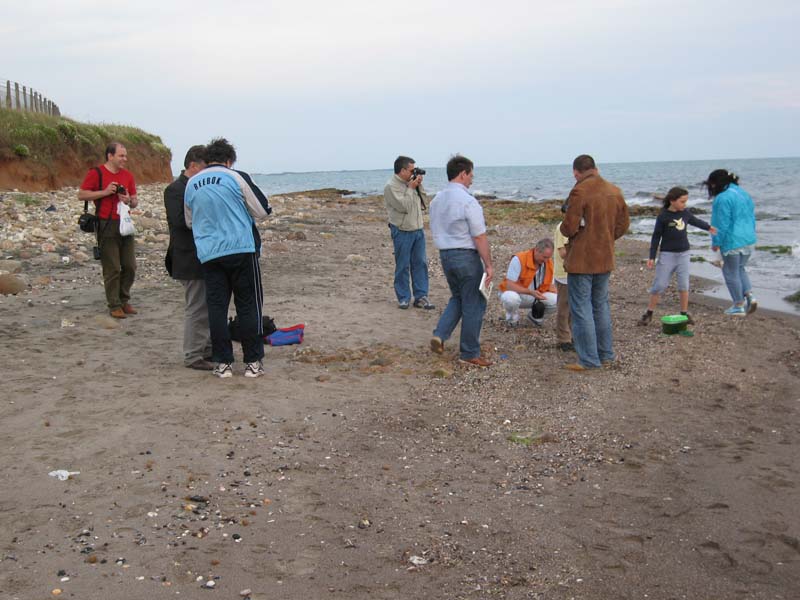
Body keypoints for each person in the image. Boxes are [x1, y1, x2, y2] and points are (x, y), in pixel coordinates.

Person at [184, 138, 271, 378]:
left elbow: (190, 221)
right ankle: (253, 361)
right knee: (248, 305)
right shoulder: (236, 176)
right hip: (241, 249)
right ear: (229, 160)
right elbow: (262, 210)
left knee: (217, 308)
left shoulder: (192, 183)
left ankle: (223, 363)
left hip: (210, 253)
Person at [560, 154, 629, 371]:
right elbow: (624, 224)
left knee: (581, 308)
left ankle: (589, 359)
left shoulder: (580, 191)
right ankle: (606, 353)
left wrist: (571, 233)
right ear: (595, 168)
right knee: (601, 305)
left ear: (576, 172)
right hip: (605, 257)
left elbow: (569, 227)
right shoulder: (614, 190)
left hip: (582, 258)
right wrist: (606, 238)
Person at [429, 155, 494, 368]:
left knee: (458, 296)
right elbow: (479, 236)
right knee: (474, 302)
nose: (472, 180)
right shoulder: (468, 201)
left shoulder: (437, 199)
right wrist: (489, 264)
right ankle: (469, 352)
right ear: (463, 173)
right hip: (465, 254)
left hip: (445, 254)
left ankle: (440, 334)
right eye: (471, 175)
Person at [164, 145, 213, 370]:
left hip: (204, 253)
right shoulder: (175, 190)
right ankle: (193, 355)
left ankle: (207, 349)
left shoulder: (199, 187)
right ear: (193, 166)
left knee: (208, 303)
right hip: (187, 256)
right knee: (197, 306)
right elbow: (180, 222)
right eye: (204, 167)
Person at [638, 186, 716, 326]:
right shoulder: (663, 216)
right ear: (672, 201)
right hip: (667, 255)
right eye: (682, 201)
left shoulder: (685, 213)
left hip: (684, 254)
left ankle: (684, 313)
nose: (684, 204)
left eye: (686, 201)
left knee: (683, 284)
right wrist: (651, 257)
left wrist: (709, 227)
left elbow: (696, 221)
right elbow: (656, 237)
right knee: (659, 285)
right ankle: (649, 313)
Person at [78, 142, 138, 319]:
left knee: (130, 266)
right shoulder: (96, 173)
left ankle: (123, 299)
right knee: (112, 268)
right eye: (121, 156)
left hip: (125, 223)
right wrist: (105, 192)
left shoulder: (128, 175)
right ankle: (114, 304)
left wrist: (127, 199)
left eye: (125, 156)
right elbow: (81, 194)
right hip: (106, 223)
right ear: (110, 156)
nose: (124, 159)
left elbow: (135, 201)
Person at [384, 156, 434, 310]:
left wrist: (418, 186)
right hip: (402, 230)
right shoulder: (391, 187)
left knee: (420, 264)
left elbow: (424, 203)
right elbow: (403, 206)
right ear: (403, 170)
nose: (414, 172)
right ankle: (404, 297)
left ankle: (421, 296)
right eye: (412, 170)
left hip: (417, 229)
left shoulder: (410, 183)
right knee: (403, 265)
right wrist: (411, 188)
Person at [705, 169, 758, 316]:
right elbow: (751, 217)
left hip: (732, 240)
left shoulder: (722, 198)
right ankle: (750, 296)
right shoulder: (743, 193)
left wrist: (716, 242)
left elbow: (720, 223)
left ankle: (738, 305)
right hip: (748, 238)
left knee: (730, 271)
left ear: (715, 184)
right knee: (740, 269)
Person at [498, 238, 557, 327]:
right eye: (544, 257)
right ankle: (511, 317)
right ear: (536, 250)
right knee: (511, 298)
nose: (546, 260)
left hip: (536, 295)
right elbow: (509, 285)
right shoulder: (519, 259)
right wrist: (530, 292)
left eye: (548, 257)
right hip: (517, 293)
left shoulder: (548, 263)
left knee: (557, 301)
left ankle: (534, 316)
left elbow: (551, 286)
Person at [553, 208, 573, 351]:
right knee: (563, 307)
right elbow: (562, 252)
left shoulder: (576, 226)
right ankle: (563, 339)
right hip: (563, 273)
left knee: (573, 307)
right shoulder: (562, 228)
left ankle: (571, 336)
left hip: (575, 272)